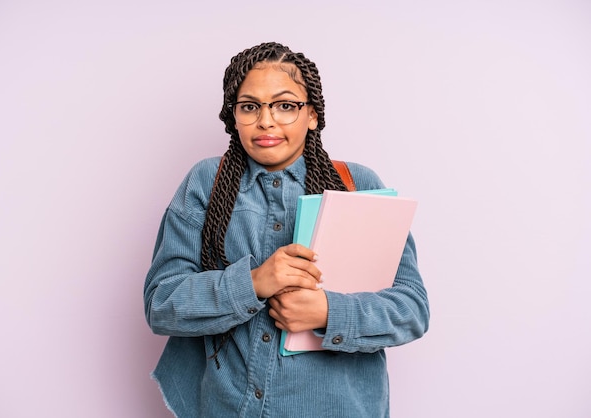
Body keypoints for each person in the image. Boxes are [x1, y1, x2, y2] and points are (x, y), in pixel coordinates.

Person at [144, 41, 429, 418]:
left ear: (312, 114)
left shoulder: (358, 184)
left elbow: (411, 309)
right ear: (234, 117)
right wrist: (254, 282)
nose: (266, 120)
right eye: (250, 106)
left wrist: (329, 312)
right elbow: (162, 304)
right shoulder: (205, 183)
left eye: (285, 105)